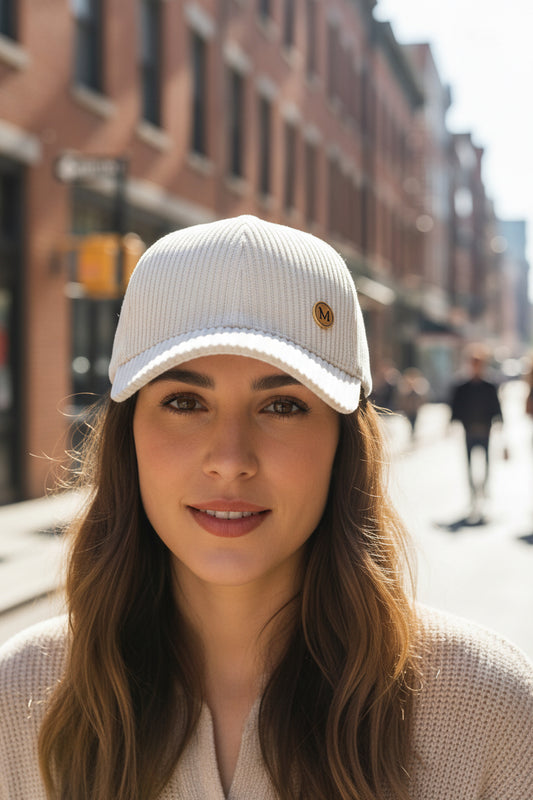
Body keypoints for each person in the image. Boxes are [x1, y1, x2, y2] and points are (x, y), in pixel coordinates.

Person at [1, 215, 532, 800]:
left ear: (345, 446)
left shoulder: (491, 710)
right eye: (185, 402)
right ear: (127, 438)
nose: (230, 461)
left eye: (282, 406)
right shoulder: (19, 695)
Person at [450, 351, 503, 506]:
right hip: (469, 430)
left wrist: (500, 422)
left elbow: (496, 405)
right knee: (469, 463)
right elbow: (456, 406)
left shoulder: (489, 386)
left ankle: (484, 488)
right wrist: (452, 423)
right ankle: (472, 491)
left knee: (486, 462)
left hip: (485, 430)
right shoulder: (462, 387)